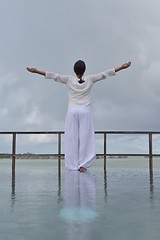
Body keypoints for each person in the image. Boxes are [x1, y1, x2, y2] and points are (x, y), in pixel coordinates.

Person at [27, 60, 131, 172]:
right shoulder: (90, 79)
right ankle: (82, 164)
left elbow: (53, 75)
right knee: (85, 138)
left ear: (74, 70)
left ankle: (73, 165)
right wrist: (121, 67)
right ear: (84, 70)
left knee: (72, 138)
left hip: (72, 111)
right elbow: (104, 74)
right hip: (85, 111)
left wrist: (36, 71)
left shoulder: (69, 79)